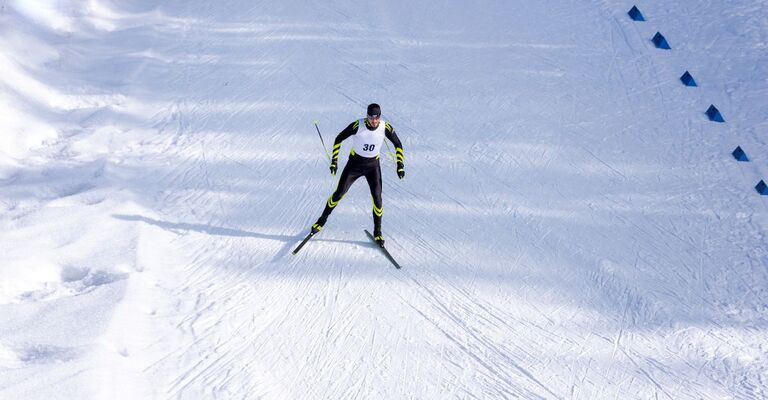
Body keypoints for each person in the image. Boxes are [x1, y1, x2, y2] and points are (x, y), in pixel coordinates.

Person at [310, 103, 405, 246]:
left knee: (378, 200)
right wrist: (334, 162)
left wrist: (400, 165)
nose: (373, 121)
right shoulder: (357, 125)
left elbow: (398, 144)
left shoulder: (385, 127)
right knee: (338, 194)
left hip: (373, 166)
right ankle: (321, 221)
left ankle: (377, 232)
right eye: (371, 118)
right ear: (367, 116)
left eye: (376, 118)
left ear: (380, 117)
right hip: (354, 165)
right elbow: (339, 138)